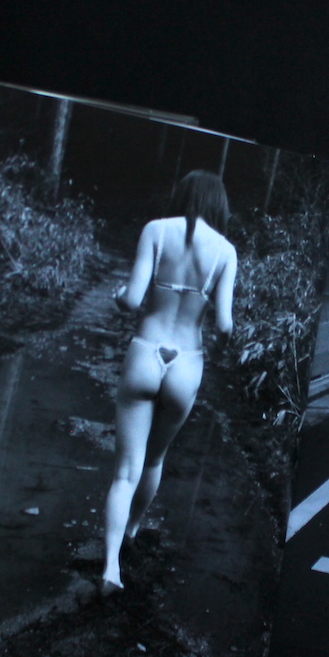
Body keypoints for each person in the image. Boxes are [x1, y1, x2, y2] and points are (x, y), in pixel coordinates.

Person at [101, 170, 237, 593]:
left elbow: (132, 300)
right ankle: (133, 531)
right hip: (187, 363)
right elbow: (225, 325)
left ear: (183, 195)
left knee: (125, 472)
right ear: (218, 205)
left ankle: (110, 569)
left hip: (146, 352)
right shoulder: (226, 252)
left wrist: (118, 296)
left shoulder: (156, 230)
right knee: (154, 460)